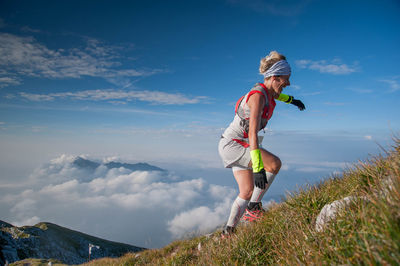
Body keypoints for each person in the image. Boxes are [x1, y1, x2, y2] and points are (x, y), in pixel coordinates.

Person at [218, 51, 305, 237]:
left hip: (233, 143)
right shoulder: (257, 97)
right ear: (274, 77)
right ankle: (254, 209)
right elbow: (252, 132)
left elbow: (277, 97)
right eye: (285, 80)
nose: (287, 84)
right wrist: (258, 167)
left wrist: (293, 100)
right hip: (234, 144)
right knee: (274, 164)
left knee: (247, 190)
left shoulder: (268, 93)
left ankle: (228, 232)